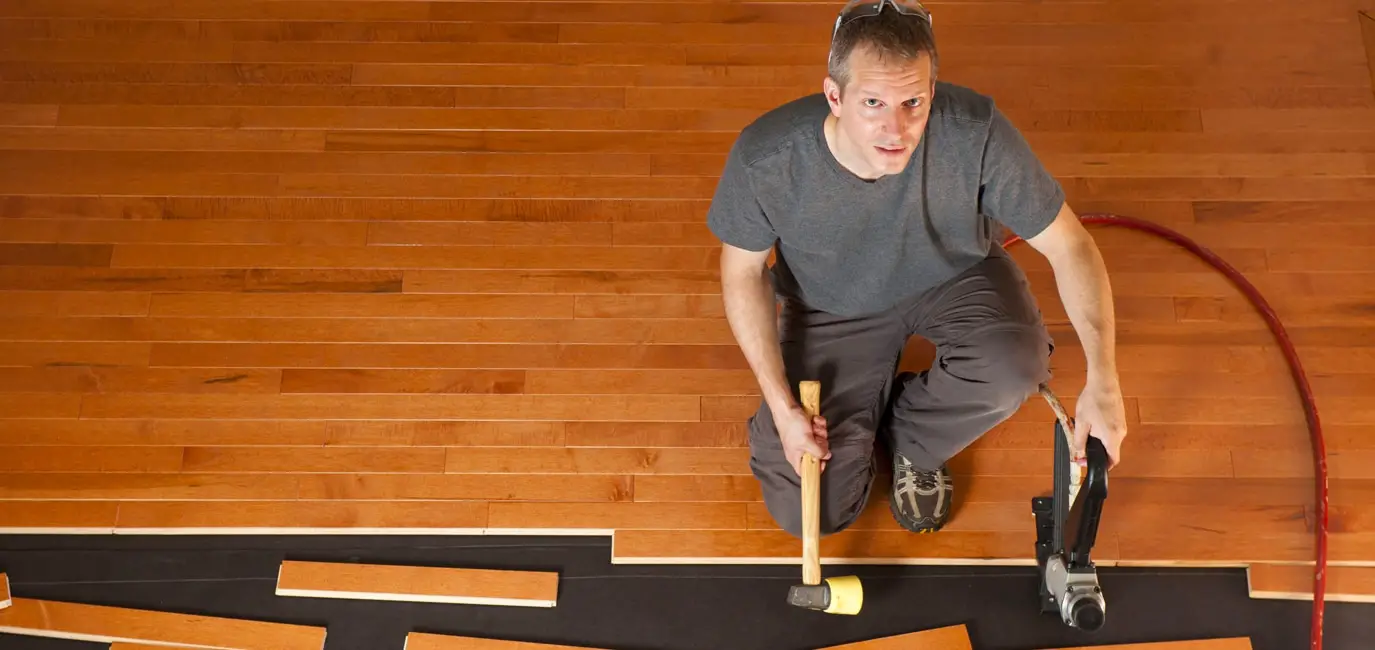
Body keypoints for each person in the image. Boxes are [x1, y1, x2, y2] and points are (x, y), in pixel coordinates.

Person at [706, 0, 1128, 538]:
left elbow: (1071, 246)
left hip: (953, 273)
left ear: (932, 91)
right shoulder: (767, 159)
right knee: (809, 509)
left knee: (1016, 366)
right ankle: (857, 409)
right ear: (834, 96)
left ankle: (914, 434)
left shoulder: (975, 131)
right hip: (832, 305)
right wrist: (784, 407)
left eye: (914, 102)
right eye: (873, 102)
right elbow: (742, 274)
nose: (896, 128)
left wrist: (1105, 382)